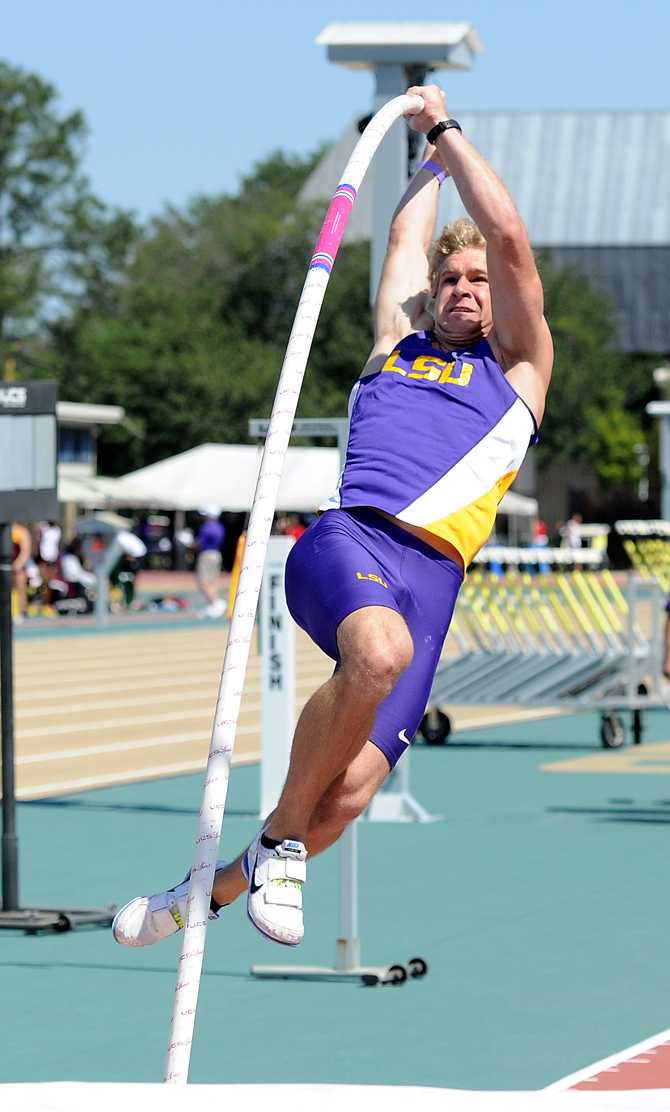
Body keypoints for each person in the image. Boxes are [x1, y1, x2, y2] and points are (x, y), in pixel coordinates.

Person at [112, 84, 553, 950]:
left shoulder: (522, 367)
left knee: (347, 797)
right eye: (449, 280)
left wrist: (445, 134)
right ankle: (277, 843)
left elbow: (506, 238)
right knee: (374, 654)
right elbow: (401, 239)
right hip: (349, 541)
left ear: (500, 299)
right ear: (429, 295)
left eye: (476, 282)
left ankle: (207, 891)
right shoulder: (397, 341)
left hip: (434, 589)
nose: (465, 288)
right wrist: (421, 152)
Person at [194, 506, 226, 619]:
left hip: (207, 554)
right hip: (217, 554)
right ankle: (215, 604)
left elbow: (199, 544)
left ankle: (216, 603)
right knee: (212, 581)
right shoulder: (220, 527)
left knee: (204, 582)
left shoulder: (207, 527)